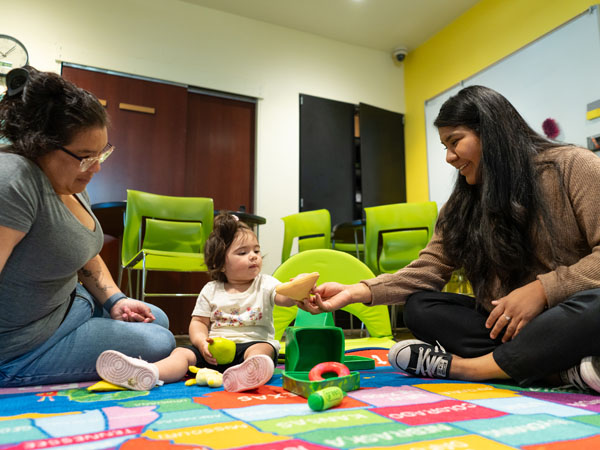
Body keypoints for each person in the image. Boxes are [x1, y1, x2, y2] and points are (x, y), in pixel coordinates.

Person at [305, 85, 600, 393]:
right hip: (508, 327)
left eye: (455, 141)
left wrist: (542, 290)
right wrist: (355, 292)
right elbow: (428, 269)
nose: (449, 157)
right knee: (421, 307)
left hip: (569, 315)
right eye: (445, 145)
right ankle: (562, 371)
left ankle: (471, 368)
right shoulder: (461, 203)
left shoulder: (573, 166)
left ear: (492, 132)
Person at [0, 66, 175, 387]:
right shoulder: (12, 179)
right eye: (84, 156)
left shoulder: (72, 182)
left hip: (68, 306)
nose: (94, 167)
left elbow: (83, 250)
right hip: (25, 345)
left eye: (101, 154)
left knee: (158, 320)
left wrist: (115, 301)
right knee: (160, 343)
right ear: (40, 145)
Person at [96, 213, 299, 392]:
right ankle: (150, 372)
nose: (254, 257)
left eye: (256, 250)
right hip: (213, 351)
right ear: (219, 263)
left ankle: (248, 374)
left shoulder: (265, 283)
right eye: (243, 252)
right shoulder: (211, 289)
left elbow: (284, 298)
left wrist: (298, 290)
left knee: (262, 350)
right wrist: (201, 343)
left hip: (251, 347)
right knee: (181, 352)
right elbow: (199, 323)